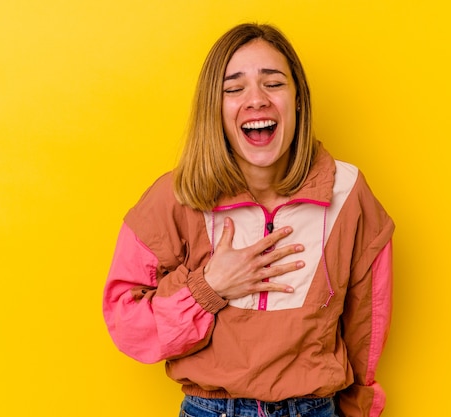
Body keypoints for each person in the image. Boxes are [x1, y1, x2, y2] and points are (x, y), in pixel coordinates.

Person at [103, 23, 395, 417]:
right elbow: (127, 321)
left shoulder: (348, 193)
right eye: (233, 88)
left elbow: (367, 324)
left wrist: (360, 410)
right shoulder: (176, 196)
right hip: (211, 409)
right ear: (215, 108)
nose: (256, 100)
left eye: (273, 83)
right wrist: (209, 287)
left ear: (298, 100)